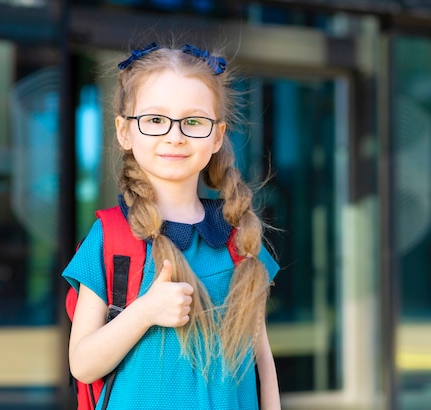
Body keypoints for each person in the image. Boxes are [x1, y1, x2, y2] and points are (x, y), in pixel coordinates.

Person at [62, 40, 281, 409]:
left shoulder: (239, 237)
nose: (174, 135)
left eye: (193, 121)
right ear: (124, 131)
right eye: (155, 120)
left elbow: (261, 359)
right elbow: (82, 365)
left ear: (217, 135)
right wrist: (145, 312)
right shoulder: (112, 236)